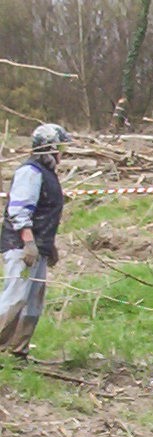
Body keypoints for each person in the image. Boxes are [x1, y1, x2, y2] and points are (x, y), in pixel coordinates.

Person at [0, 123, 71, 359]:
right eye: (59, 147)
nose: (63, 153)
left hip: (38, 248)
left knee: (33, 302)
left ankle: (17, 352)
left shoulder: (47, 174)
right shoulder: (30, 172)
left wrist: (48, 247)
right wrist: (28, 243)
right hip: (22, 249)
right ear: (48, 148)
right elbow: (19, 210)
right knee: (16, 297)